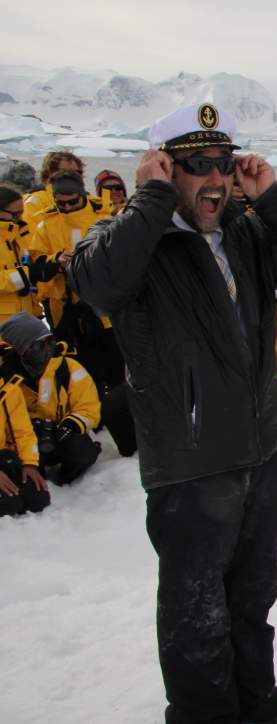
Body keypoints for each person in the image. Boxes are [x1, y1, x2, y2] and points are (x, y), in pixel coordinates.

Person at [68, 102, 277, 724]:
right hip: (188, 458)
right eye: (195, 167)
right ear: (164, 168)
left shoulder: (247, 236)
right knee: (195, 603)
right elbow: (97, 285)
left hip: (257, 446)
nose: (214, 179)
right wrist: (152, 198)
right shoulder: (131, 242)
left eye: (224, 164)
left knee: (253, 588)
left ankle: (255, 694)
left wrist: (273, 196)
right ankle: (203, 721)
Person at [25, 171, 124, 392]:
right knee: (80, 373)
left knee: (116, 370)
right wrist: (55, 260)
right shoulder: (46, 224)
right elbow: (35, 264)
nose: (67, 207)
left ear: (83, 195)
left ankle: (118, 419)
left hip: (105, 312)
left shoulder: (106, 215)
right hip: (67, 313)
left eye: (72, 202)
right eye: (61, 204)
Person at [0, 313, 101, 485]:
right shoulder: (6, 376)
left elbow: (89, 407)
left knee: (82, 450)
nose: (48, 348)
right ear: (22, 350)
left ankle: (65, 479)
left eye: (50, 340)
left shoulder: (68, 368)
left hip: (61, 435)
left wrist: (70, 425)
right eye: (40, 345)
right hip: (24, 442)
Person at [0, 365, 50, 517]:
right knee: (9, 504)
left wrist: (29, 463)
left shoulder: (8, 385)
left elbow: (22, 431)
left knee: (37, 499)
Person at [0, 184, 38, 324]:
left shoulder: (17, 234)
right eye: (15, 214)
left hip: (24, 318)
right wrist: (26, 275)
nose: (20, 218)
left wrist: (36, 312)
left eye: (22, 213)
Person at [23, 151, 86, 219]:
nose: (73, 176)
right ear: (48, 174)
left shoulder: (90, 202)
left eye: (78, 172)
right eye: (66, 172)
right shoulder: (34, 203)